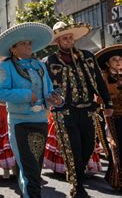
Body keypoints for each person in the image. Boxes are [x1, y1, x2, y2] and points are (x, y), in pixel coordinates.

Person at [0, 22, 62, 198]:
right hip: (20, 123)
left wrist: (56, 98)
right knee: (29, 169)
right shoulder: (5, 66)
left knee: (34, 169)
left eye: (29, 43)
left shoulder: (40, 66)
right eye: (23, 43)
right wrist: (26, 95)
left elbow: (50, 90)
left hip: (41, 121)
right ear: (13, 48)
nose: (28, 46)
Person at [46, 22, 113, 197]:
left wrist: (107, 103)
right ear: (58, 41)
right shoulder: (51, 61)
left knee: (89, 147)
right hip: (64, 112)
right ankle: (77, 186)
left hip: (88, 110)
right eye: (64, 38)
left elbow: (99, 80)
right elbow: (49, 87)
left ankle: (78, 175)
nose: (68, 41)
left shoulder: (87, 56)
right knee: (72, 148)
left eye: (70, 37)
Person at [95, 44, 122, 191]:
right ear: (107, 63)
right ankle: (117, 180)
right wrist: (111, 99)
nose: (118, 62)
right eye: (114, 59)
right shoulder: (103, 78)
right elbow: (98, 99)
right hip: (112, 117)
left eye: (120, 59)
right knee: (117, 147)